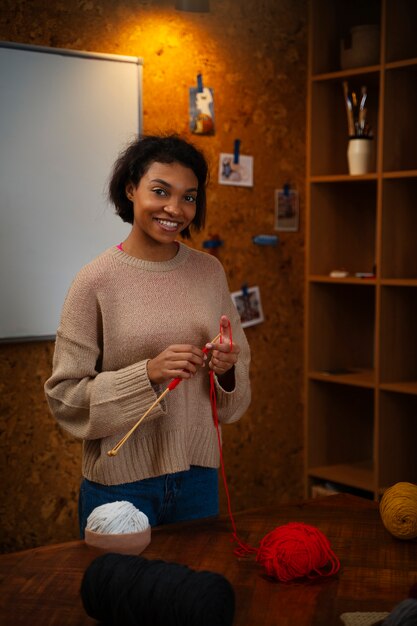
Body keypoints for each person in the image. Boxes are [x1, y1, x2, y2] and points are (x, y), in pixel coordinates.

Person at [44, 134, 251, 537]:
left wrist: (226, 370)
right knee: (122, 599)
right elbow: (65, 399)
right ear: (130, 189)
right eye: (160, 191)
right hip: (121, 484)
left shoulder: (210, 272)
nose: (175, 209)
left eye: (189, 197)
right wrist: (148, 373)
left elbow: (235, 391)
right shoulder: (95, 281)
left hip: (199, 478)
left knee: (191, 597)